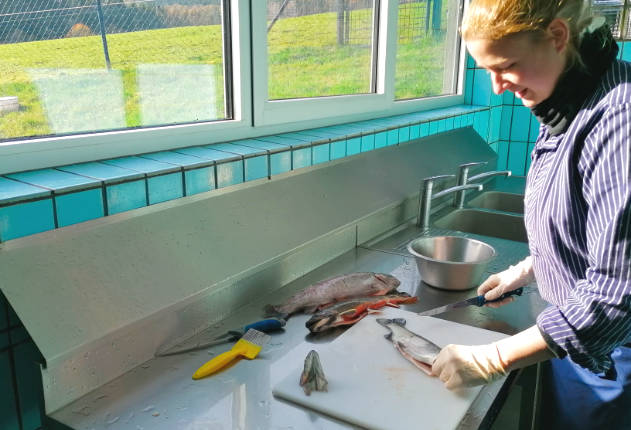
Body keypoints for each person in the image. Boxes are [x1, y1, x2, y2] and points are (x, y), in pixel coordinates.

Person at [430, 0, 631, 428]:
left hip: (614, 354)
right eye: (487, 70)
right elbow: (586, 225)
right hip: (574, 337)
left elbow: (618, 293)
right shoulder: (567, 93)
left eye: (506, 66)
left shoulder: (620, 122)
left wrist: (494, 357)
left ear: (557, 36)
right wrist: (529, 269)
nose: (497, 87)